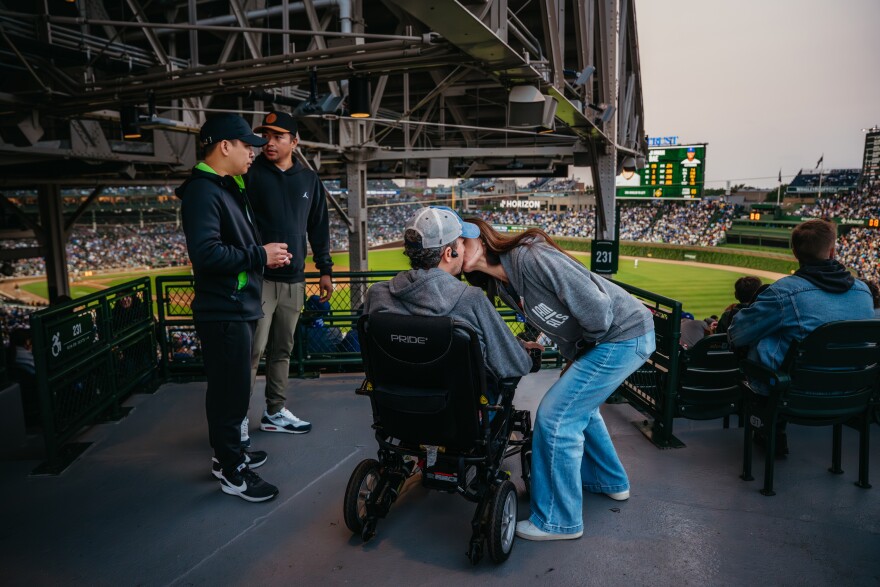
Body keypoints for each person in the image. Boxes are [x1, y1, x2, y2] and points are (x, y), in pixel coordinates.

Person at [461, 217, 655, 542]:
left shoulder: (529, 256)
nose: (457, 247)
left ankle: (559, 520)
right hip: (607, 340)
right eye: (451, 245)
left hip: (620, 335)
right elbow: (550, 317)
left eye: (463, 238)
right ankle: (610, 481)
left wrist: (582, 354)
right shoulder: (501, 284)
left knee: (556, 416)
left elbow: (597, 309)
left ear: (481, 237)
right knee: (581, 408)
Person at [177, 113, 293, 503]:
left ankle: (226, 455)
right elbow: (206, 254)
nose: (253, 152)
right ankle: (233, 472)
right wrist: (259, 255)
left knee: (231, 391)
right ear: (224, 146)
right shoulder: (203, 192)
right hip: (223, 309)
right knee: (231, 394)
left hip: (233, 306)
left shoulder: (223, 186)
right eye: (247, 146)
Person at [728, 219, 873, 454]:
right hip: (853, 395)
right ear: (833, 250)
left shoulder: (784, 292)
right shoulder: (864, 292)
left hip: (795, 394)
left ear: (794, 252)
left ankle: (771, 429)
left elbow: (737, 335)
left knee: (765, 341)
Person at [364, 206, 534, 390]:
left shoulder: (377, 294)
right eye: (462, 243)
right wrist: (521, 350)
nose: (464, 249)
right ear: (448, 254)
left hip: (396, 409)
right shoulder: (471, 299)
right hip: (462, 415)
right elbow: (516, 365)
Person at [246, 111, 333, 440]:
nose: (268, 142)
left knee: (283, 349)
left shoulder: (309, 180)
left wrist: (325, 270)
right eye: (265, 135)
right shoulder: (251, 174)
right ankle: (238, 418)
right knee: (253, 350)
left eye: (277, 136)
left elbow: (318, 228)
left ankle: (274, 411)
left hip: (295, 280)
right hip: (259, 278)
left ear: (294, 142)